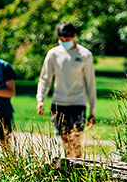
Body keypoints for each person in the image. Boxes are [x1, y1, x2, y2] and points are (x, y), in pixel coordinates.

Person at [36, 22, 97, 158]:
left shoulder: (85, 55)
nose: (64, 41)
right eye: (61, 38)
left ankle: (79, 171)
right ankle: (71, 168)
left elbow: (90, 83)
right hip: (59, 102)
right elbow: (45, 79)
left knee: (75, 139)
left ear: (74, 36)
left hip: (78, 102)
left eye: (67, 38)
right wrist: (40, 99)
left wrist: (92, 111)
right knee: (64, 138)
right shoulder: (53, 54)